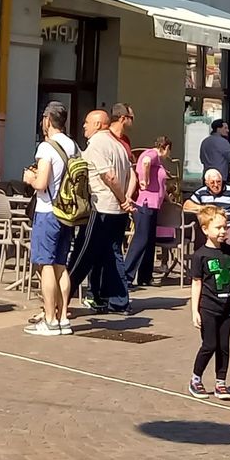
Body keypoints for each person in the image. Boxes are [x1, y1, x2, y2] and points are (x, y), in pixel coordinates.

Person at [68, 108, 133, 316]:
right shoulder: (118, 145)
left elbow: (109, 176)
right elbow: (131, 174)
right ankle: (117, 301)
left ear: (98, 124)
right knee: (112, 254)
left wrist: (122, 199)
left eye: (87, 122)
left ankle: (63, 295)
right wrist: (125, 199)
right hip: (117, 211)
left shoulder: (98, 143)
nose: (83, 126)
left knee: (83, 253)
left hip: (101, 207)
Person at [23, 102, 79, 336]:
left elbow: (42, 183)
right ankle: (63, 317)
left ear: (47, 120)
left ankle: (49, 320)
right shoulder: (73, 145)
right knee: (61, 265)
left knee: (45, 264)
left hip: (48, 211)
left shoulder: (46, 148)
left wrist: (30, 178)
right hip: (67, 212)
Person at [188, 206, 230, 401]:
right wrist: (195, 311)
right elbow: (196, 283)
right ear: (205, 229)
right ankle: (195, 379)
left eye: (225, 227)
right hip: (208, 309)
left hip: (226, 309)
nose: (223, 231)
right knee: (209, 345)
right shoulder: (200, 255)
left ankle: (221, 382)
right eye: (218, 228)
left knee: (224, 347)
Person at [123, 135, 173, 288]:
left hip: (154, 205)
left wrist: (169, 200)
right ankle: (126, 276)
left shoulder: (158, 162)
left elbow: (161, 185)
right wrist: (144, 179)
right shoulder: (152, 154)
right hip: (145, 204)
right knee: (141, 239)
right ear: (166, 148)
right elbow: (145, 162)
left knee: (150, 241)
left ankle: (145, 276)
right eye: (169, 151)